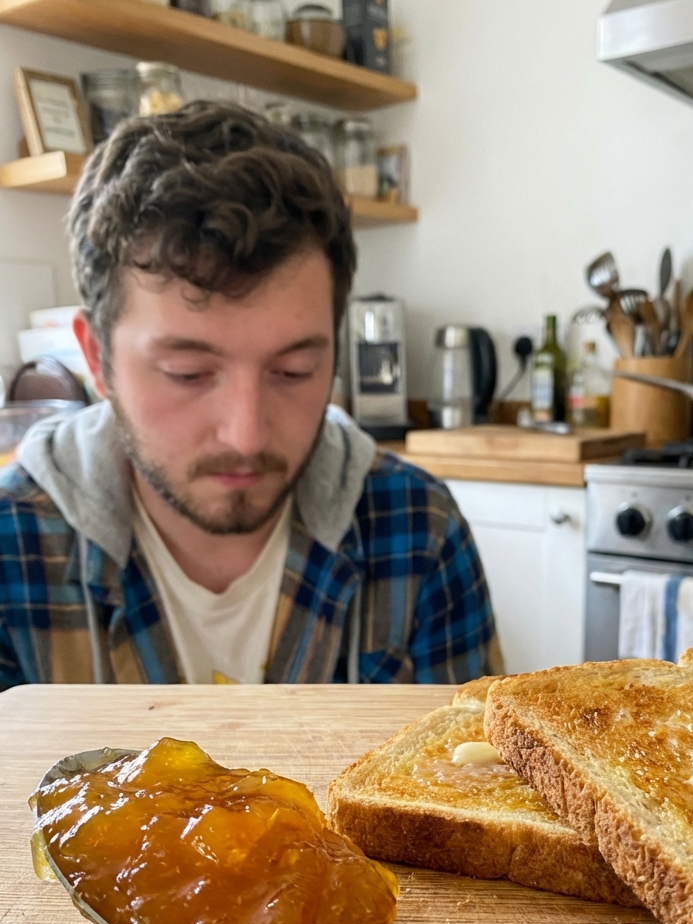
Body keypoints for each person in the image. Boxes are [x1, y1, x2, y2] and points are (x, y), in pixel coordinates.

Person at [0, 103, 501, 688]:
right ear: (96, 360)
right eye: (188, 372)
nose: (247, 435)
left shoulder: (420, 532)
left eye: (294, 370)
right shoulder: (12, 549)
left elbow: (482, 774)